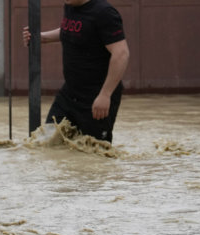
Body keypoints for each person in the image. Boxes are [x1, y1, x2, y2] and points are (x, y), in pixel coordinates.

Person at [23, 0, 130, 142]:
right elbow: (71, 30)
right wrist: (42, 38)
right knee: (48, 141)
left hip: (96, 97)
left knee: (94, 153)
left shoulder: (104, 12)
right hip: (69, 94)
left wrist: (105, 95)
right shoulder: (70, 5)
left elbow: (121, 54)